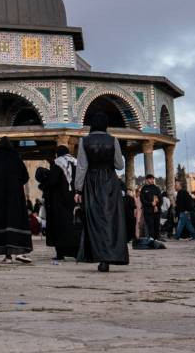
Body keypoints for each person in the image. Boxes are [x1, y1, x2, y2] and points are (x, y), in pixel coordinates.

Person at [74, 113, 127, 271]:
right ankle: (110, 256)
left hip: (91, 183)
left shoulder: (84, 141)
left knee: (95, 220)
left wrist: (78, 189)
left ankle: (100, 256)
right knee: (110, 219)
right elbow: (119, 165)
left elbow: (82, 167)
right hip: (110, 182)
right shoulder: (113, 140)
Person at [0, 137, 33, 263]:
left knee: (0, 224)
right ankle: (15, 253)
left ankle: (7, 256)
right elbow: (25, 177)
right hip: (14, 200)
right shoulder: (16, 160)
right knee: (13, 223)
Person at [35, 145, 81, 259]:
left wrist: (43, 185)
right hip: (74, 200)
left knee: (60, 226)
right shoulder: (76, 163)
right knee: (74, 226)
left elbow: (53, 181)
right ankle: (75, 252)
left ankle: (61, 253)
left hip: (59, 202)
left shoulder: (58, 164)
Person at [139, 174, 161, 241]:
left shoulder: (157, 188)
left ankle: (157, 238)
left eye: (153, 179)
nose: (152, 180)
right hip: (148, 211)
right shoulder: (144, 189)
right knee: (150, 225)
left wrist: (157, 206)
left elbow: (160, 198)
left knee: (156, 224)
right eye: (150, 179)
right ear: (147, 180)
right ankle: (151, 238)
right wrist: (150, 204)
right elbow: (142, 200)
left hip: (156, 210)